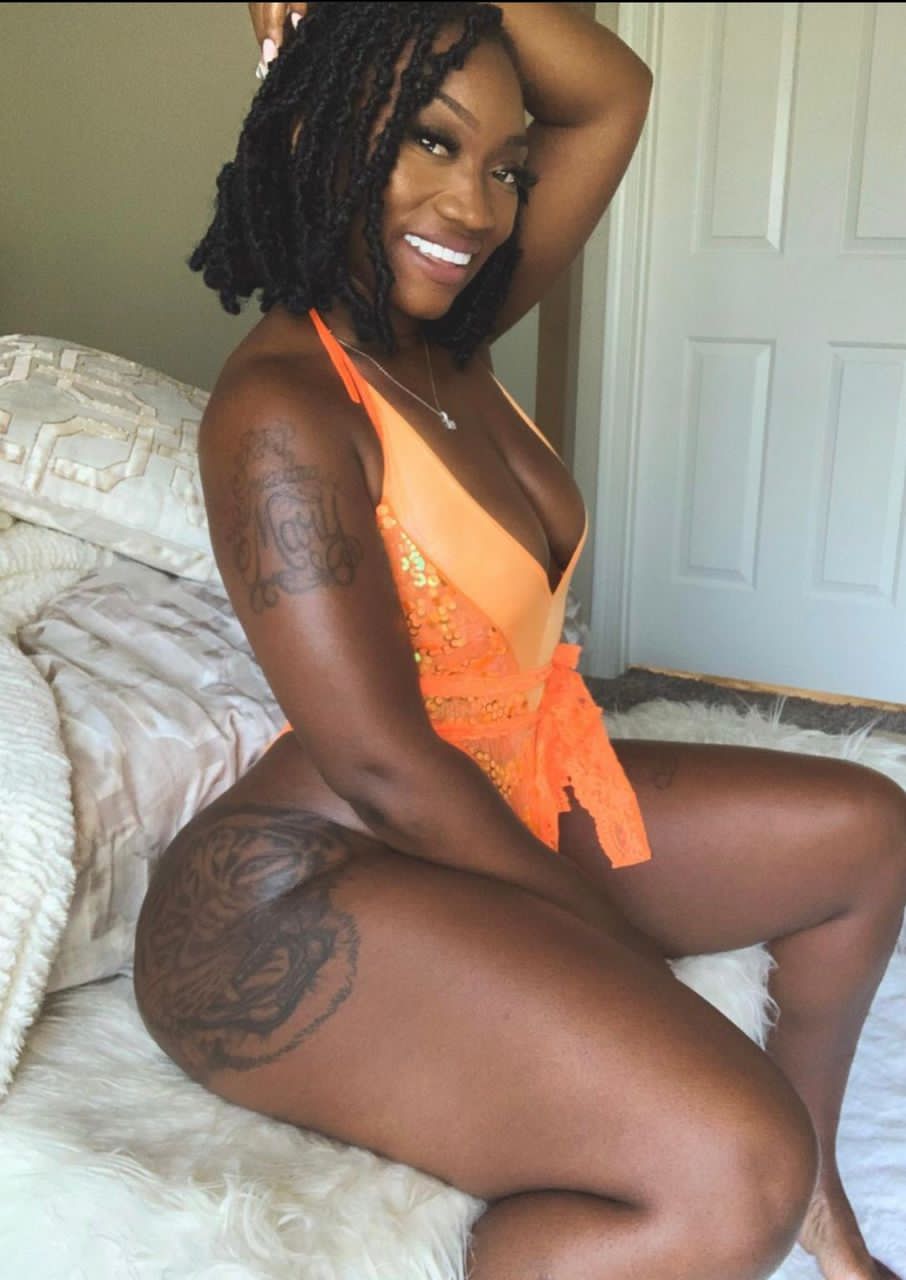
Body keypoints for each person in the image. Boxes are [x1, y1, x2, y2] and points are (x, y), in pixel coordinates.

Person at [134, 5, 906, 1278]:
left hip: (509, 792)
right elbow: (384, 767)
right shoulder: (283, 406)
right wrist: (624, 956)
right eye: (431, 142)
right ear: (320, 128)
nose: (476, 206)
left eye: (504, 167)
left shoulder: (448, 334)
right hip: (297, 898)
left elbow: (610, 93)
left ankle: (825, 1186)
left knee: (867, 830)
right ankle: (770, 1180)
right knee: (735, 1167)